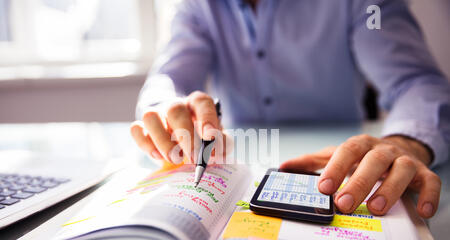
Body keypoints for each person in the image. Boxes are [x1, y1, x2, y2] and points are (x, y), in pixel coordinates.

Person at [130, 0, 450, 219]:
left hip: (342, 168)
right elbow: (167, 79)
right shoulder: (197, 6)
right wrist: (165, 106)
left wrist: (406, 142)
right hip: (240, 165)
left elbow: (416, 82)